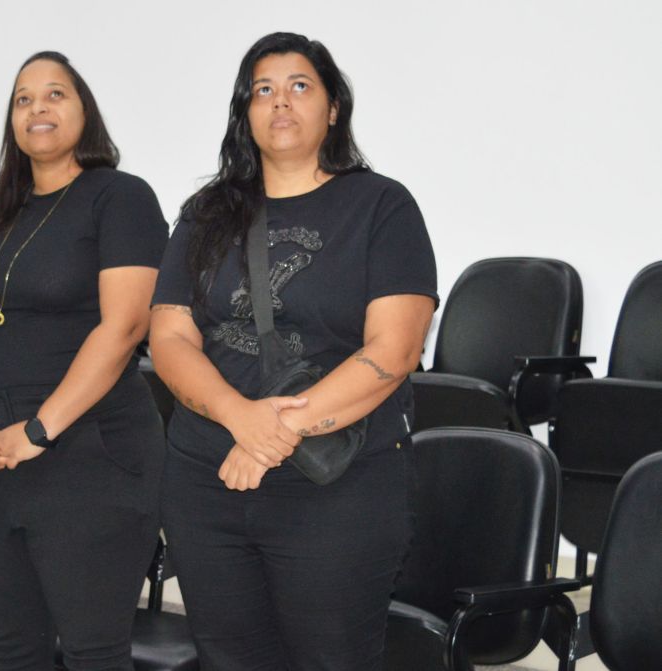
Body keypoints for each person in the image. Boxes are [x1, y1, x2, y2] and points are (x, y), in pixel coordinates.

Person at [150, 32, 438, 669]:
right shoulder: (205, 213)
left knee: (331, 657)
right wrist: (239, 418)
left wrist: (269, 436)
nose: (280, 101)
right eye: (263, 90)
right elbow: (168, 337)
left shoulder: (381, 207)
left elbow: (394, 349)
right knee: (229, 657)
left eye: (299, 86)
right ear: (245, 112)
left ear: (332, 108)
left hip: (335, 482)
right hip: (207, 479)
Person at [0, 51, 167, 671]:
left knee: (94, 653)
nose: (37, 108)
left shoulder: (120, 197)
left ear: (84, 110)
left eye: (55, 94)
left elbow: (125, 327)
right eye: (23, 98)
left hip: (89, 451)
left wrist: (41, 429)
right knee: (11, 650)